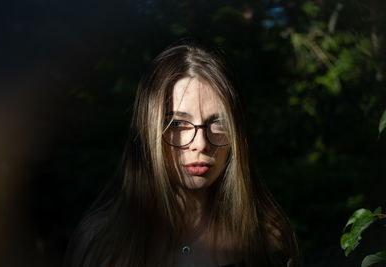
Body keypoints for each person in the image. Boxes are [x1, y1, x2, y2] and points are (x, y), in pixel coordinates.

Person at [64, 40, 300, 267]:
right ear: (148, 130)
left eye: (218, 123)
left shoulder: (268, 239)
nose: (200, 144)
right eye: (177, 123)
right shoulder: (101, 244)